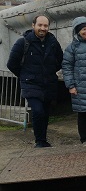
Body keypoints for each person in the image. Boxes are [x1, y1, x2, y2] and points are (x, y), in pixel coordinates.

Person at [7, 15, 63, 148]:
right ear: (33, 26)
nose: (43, 28)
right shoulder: (23, 42)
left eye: (45, 26)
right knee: (37, 111)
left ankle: (43, 138)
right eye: (40, 25)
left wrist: (49, 70)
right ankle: (39, 141)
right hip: (31, 84)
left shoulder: (53, 42)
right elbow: (11, 63)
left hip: (48, 83)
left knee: (45, 112)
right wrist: (24, 75)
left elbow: (60, 60)